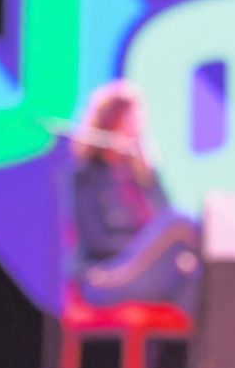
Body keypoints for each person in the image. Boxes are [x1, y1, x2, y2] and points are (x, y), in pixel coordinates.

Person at [68, 80, 200, 309]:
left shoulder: (143, 177)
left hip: (147, 274)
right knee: (180, 220)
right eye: (128, 123)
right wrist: (143, 249)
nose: (134, 131)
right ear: (109, 124)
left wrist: (147, 180)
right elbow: (96, 241)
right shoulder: (86, 177)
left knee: (201, 278)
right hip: (108, 275)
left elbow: (164, 226)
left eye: (137, 124)